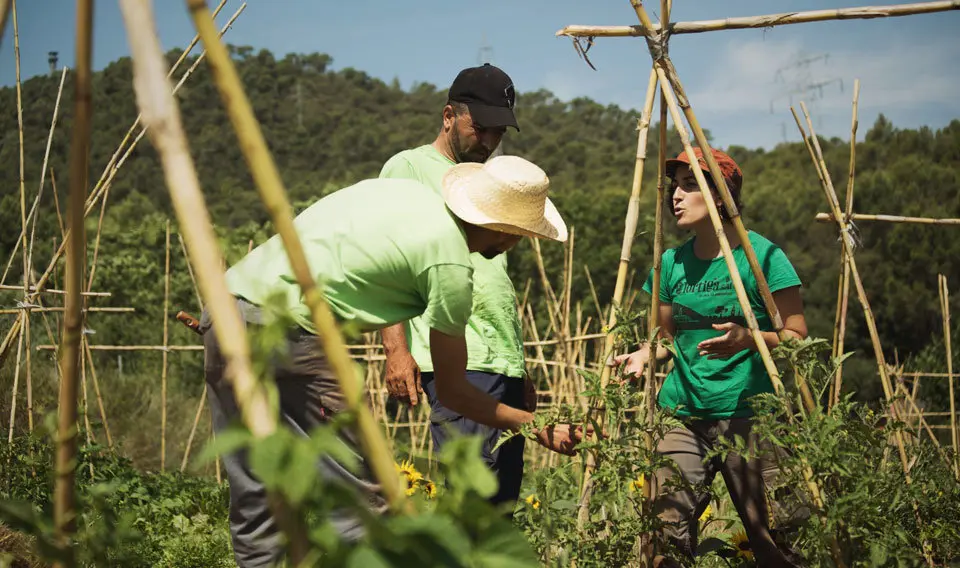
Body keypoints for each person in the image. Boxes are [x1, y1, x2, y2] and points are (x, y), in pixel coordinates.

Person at [202, 155, 578, 568]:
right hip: (296, 331)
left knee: (257, 492)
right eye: (522, 234)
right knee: (359, 498)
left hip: (225, 309)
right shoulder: (451, 263)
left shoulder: (404, 194)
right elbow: (454, 393)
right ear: (507, 234)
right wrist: (537, 425)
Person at [612, 148, 806, 567]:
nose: (675, 197)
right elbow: (666, 339)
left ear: (720, 196)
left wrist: (751, 339)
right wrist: (644, 355)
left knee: (778, 541)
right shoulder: (671, 263)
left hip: (751, 417)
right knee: (663, 537)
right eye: (674, 188)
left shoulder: (762, 258)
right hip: (683, 415)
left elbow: (796, 335)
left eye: (689, 186)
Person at [378, 64, 533, 508]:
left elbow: (491, 279)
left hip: (500, 362)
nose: (488, 141)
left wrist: (516, 367)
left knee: (500, 505)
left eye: (498, 132)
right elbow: (392, 262)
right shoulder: (409, 167)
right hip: (457, 360)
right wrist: (396, 349)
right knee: (472, 504)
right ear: (449, 116)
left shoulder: (487, 182)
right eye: (480, 128)